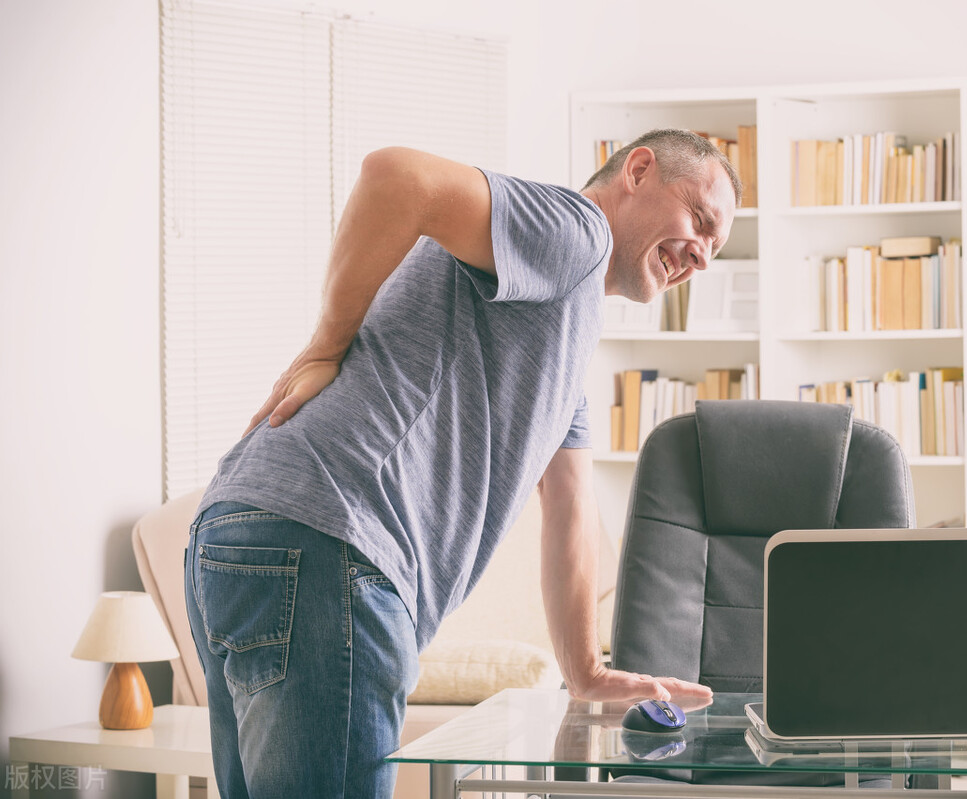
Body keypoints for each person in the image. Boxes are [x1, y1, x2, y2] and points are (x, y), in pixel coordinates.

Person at [183, 128, 741, 798]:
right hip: (333, 544)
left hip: (246, 531)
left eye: (716, 246)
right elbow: (396, 176)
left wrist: (586, 670)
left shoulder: (562, 345)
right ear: (640, 171)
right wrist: (325, 346)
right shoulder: (579, 233)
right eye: (701, 221)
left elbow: (570, 513)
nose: (702, 256)